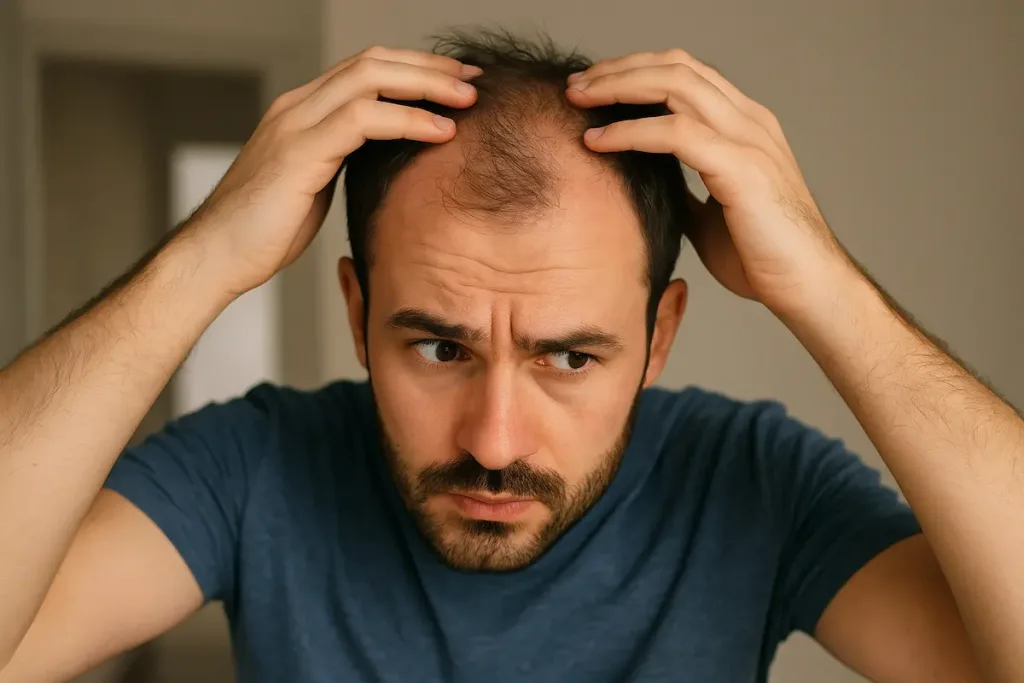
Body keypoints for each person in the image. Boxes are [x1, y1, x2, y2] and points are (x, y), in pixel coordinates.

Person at [0, 30, 1020, 683]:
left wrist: (828, 288)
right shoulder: (251, 466)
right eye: (439, 345)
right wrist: (202, 258)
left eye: (569, 357)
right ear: (358, 316)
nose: (493, 442)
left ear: (659, 334)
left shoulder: (750, 479)